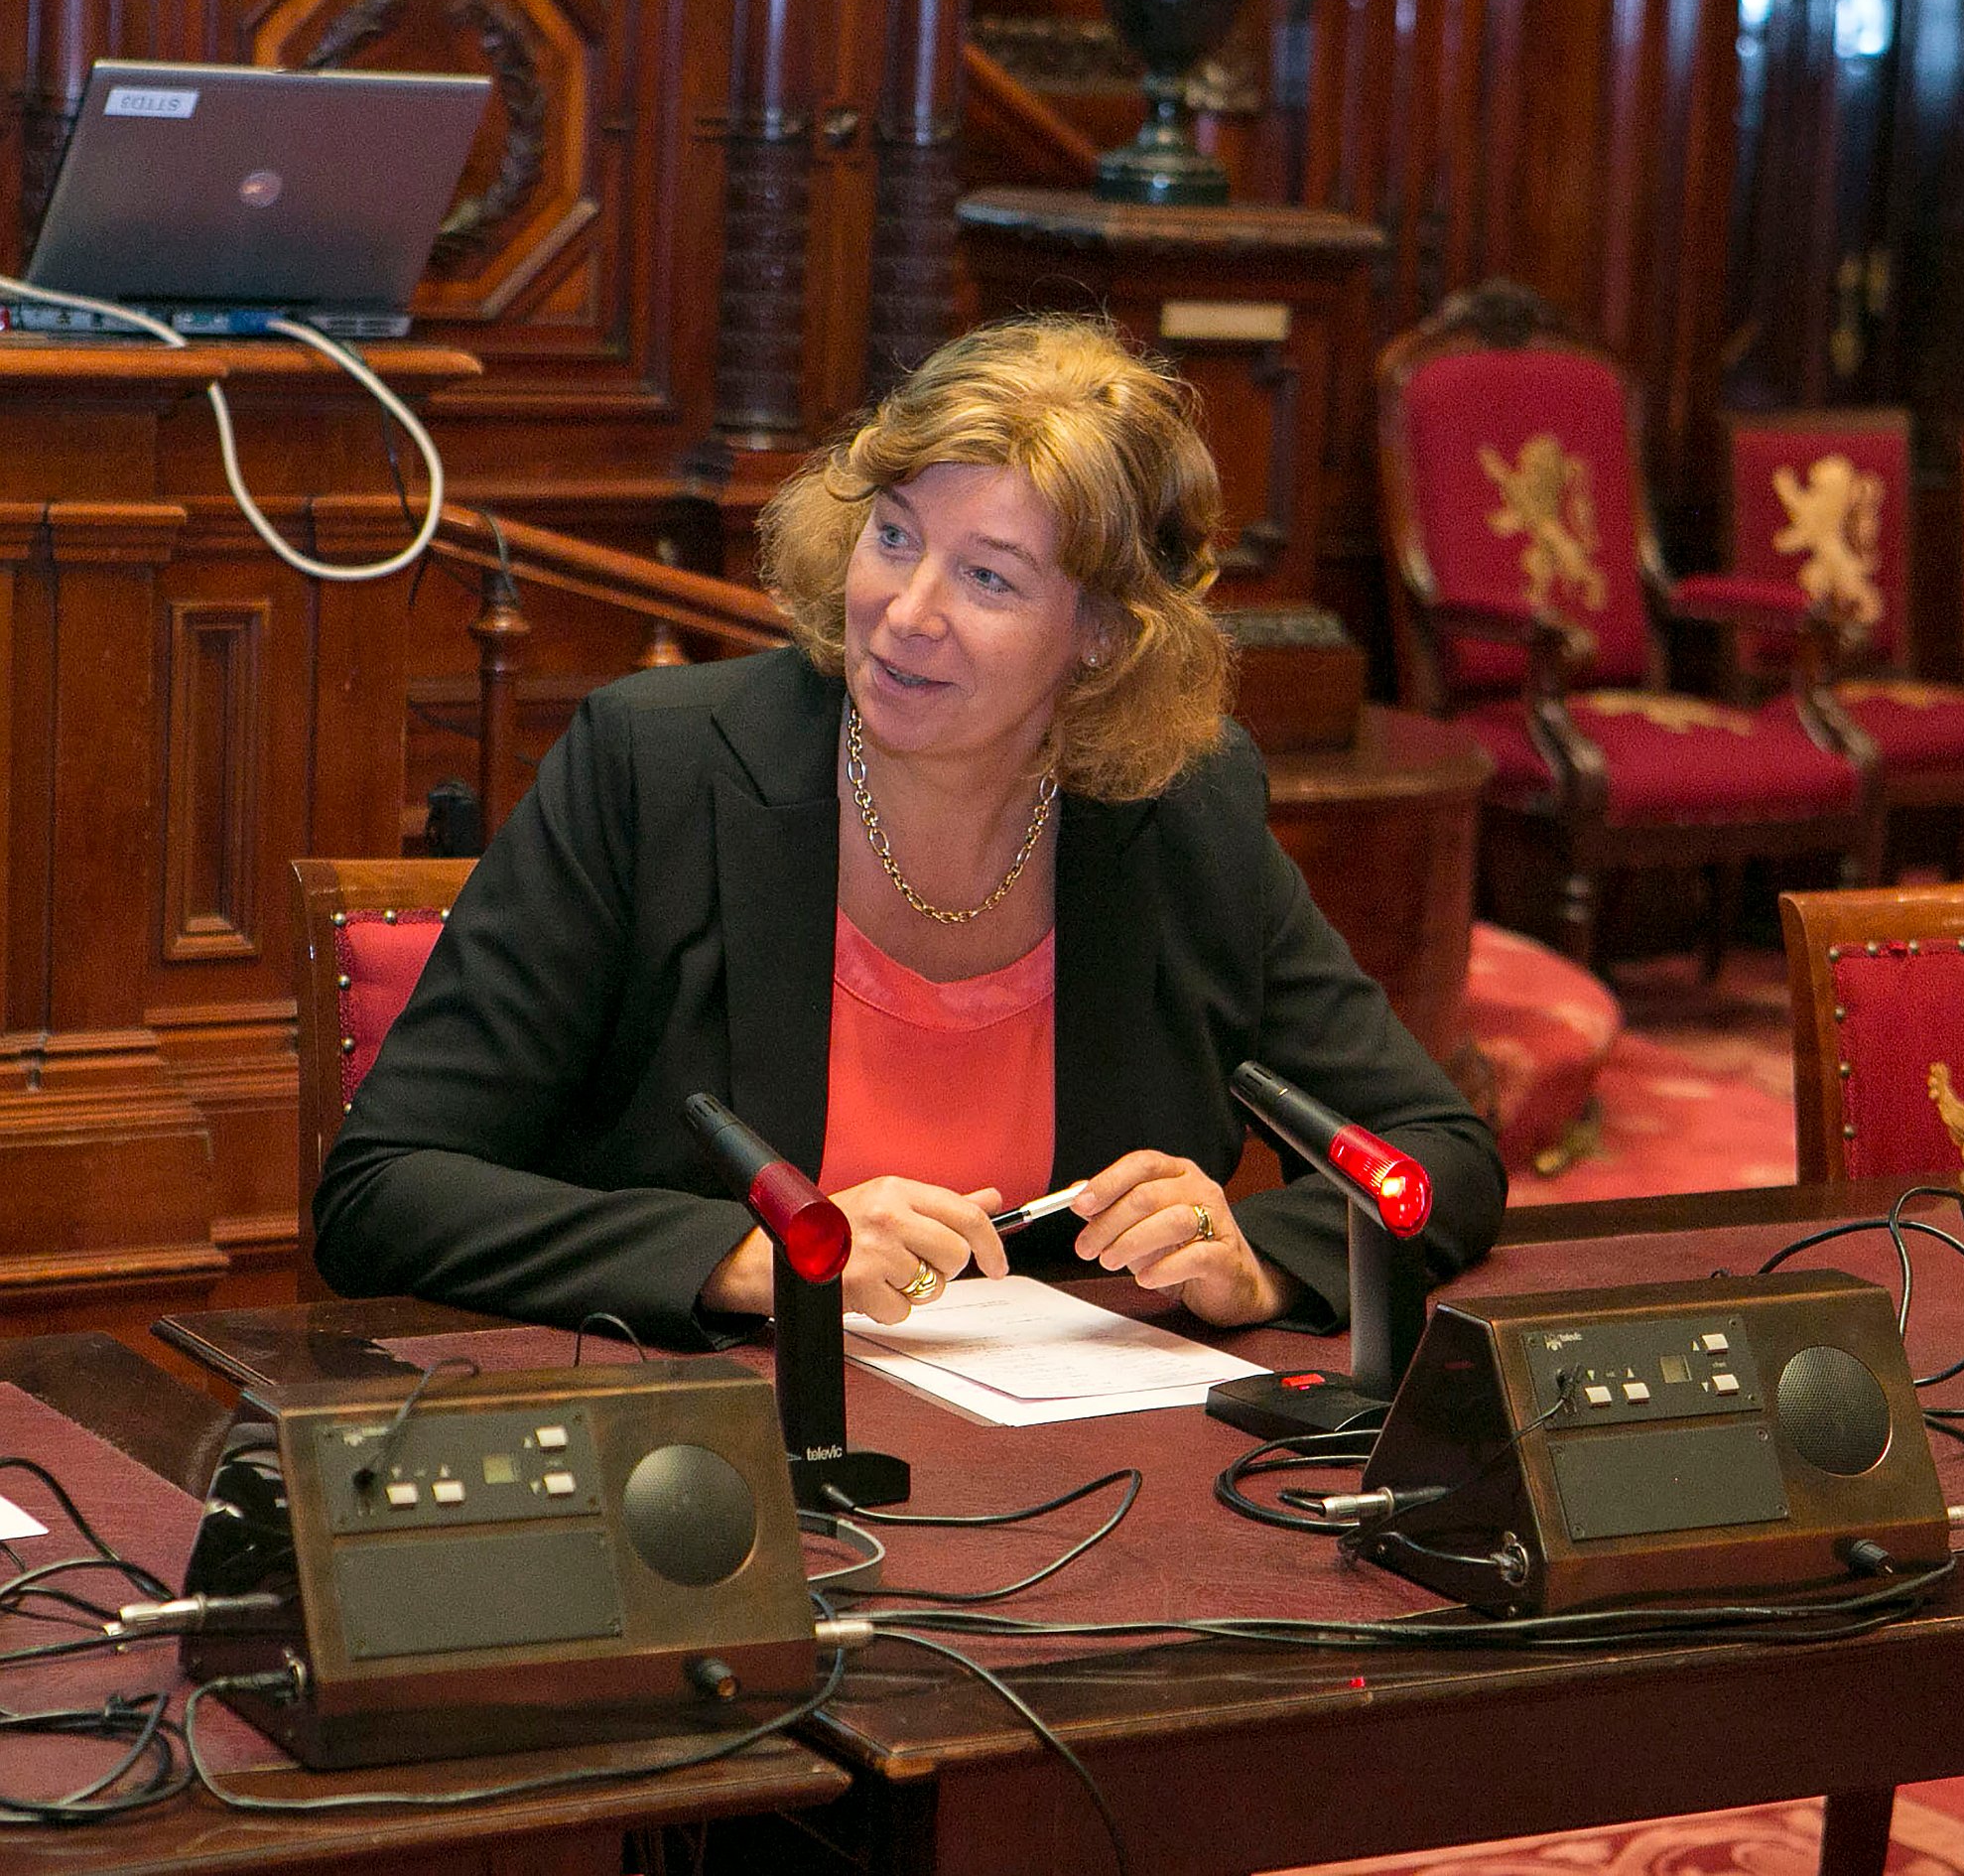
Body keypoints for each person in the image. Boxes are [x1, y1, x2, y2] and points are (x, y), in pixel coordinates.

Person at [314, 315, 1506, 1348]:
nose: (906, 611)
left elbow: (1432, 1151)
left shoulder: (1174, 809)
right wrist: (751, 1256)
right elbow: (384, 1191)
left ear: (1101, 634)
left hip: (1073, 1472)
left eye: (987, 579)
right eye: (892, 537)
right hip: (711, 1463)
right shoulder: (655, 769)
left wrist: (1256, 1255)